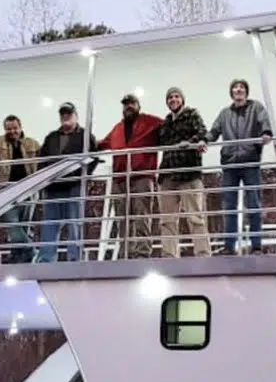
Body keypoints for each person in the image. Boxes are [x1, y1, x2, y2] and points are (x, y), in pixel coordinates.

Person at [207, 79, 273, 255]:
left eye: (241, 87)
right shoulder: (224, 113)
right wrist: (204, 140)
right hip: (230, 163)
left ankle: (256, 245)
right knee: (229, 206)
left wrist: (266, 133)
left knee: (254, 204)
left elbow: (264, 122)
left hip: (250, 160)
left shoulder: (256, 107)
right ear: (232, 92)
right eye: (235, 87)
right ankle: (229, 246)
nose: (238, 90)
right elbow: (214, 131)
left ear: (246, 92)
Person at [97, 94, 163, 260]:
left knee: (142, 216)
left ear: (138, 106)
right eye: (126, 104)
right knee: (122, 219)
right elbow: (101, 144)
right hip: (119, 180)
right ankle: (126, 252)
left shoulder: (150, 122)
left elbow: (170, 128)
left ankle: (142, 252)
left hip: (142, 177)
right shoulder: (117, 129)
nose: (129, 107)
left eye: (132, 103)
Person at [35, 103, 95, 262]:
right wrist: (44, 179)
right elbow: (42, 159)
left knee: (74, 223)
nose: (65, 116)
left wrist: (83, 176)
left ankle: (74, 259)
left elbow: (93, 158)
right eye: (62, 113)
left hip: (74, 185)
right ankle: (46, 259)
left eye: (68, 113)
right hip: (53, 186)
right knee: (50, 224)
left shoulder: (85, 136)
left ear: (76, 115)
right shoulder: (51, 137)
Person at [156, 87, 212, 259]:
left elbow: (203, 132)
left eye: (176, 96)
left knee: (195, 217)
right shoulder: (166, 122)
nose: (173, 100)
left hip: (189, 173)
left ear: (182, 99)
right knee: (167, 220)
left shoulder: (192, 115)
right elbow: (159, 142)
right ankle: (169, 254)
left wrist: (190, 142)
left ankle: (202, 254)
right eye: (170, 97)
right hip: (168, 175)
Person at [0, 114, 41, 262]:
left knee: (23, 224)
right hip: (6, 189)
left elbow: (45, 156)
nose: (12, 131)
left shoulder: (32, 143)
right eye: (9, 129)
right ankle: (30, 249)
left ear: (20, 127)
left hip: (28, 188)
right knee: (11, 223)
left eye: (15, 128)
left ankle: (18, 257)